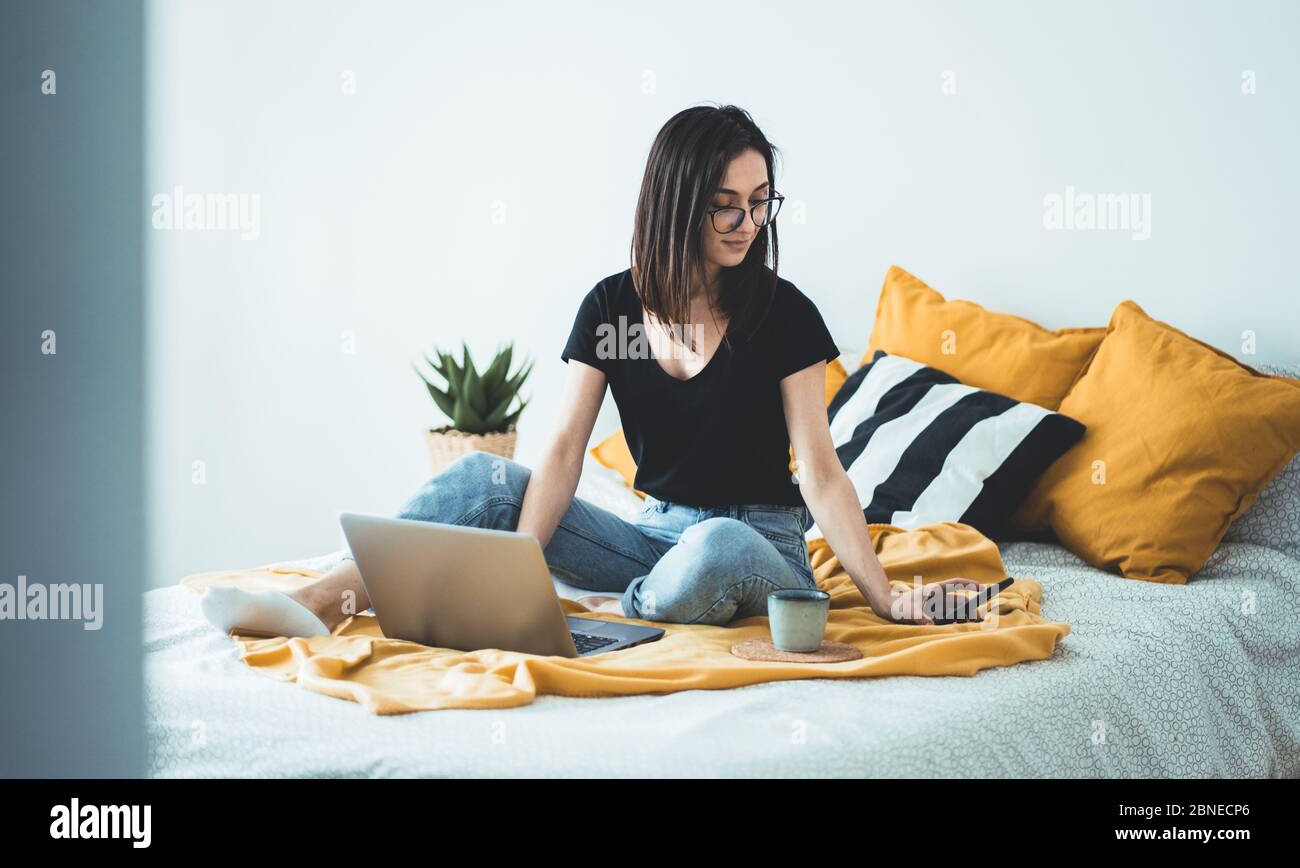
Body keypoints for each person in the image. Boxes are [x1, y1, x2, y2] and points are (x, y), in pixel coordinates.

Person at [201, 103, 982, 639]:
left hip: (756, 549)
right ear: (678, 204)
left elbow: (818, 469)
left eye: (762, 203)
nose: (749, 223)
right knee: (487, 480)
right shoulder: (612, 307)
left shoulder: (784, 313)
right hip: (651, 537)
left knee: (712, 544)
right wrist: (519, 565)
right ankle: (322, 599)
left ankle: (623, 606)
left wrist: (882, 594)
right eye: (727, 205)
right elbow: (567, 451)